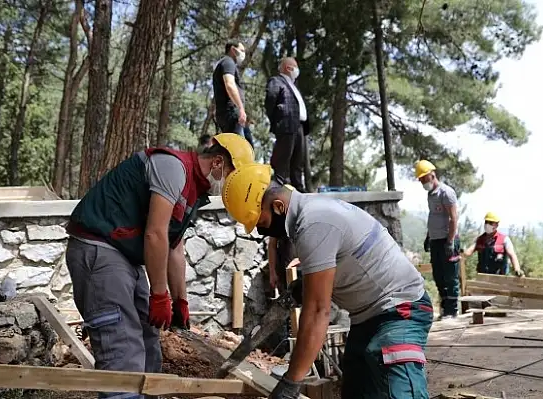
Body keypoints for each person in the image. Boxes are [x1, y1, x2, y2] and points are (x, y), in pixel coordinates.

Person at [65, 133, 254, 399]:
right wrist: (159, 293)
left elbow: (174, 247)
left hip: (124, 256)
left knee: (147, 335)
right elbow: (155, 234)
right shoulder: (173, 168)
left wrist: (180, 301)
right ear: (217, 163)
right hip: (99, 248)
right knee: (122, 343)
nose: (230, 186)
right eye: (232, 177)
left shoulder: (194, 192)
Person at [223, 163, 434, 399]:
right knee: (356, 391)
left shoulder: (313, 223)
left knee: (400, 393)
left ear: (279, 206)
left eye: (261, 223)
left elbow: (317, 312)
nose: (263, 232)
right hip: (368, 318)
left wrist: (291, 383)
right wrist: (308, 284)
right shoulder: (311, 213)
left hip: (400, 312)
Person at [415, 159, 460, 320]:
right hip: (435, 240)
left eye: (423, 179)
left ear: (431, 175)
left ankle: (452, 310)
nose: (421, 182)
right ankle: (444, 307)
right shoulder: (430, 195)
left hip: (447, 240)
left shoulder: (446, 193)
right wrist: (429, 236)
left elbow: (453, 218)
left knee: (450, 276)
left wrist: (450, 241)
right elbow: (433, 216)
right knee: (439, 275)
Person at [265, 57, 310, 193]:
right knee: (283, 158)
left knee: (298, 161)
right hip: (286, 124)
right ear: (288, 68)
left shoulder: (294, 85)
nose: (297, 70)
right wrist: (278, 119)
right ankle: (278, 188)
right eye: (295, 67)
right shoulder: (276, 81)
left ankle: (299, 189)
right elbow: (270, 100)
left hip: (300, 126)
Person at [212, 39, 254, 146]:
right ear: (233, 50)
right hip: (231, 112)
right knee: (240, 151)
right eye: (242, 50)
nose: (243, 54)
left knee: (244, 148)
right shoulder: (228, 62)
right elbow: (230, 85)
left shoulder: (226, 63)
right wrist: (240, 108)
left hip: (231, 113)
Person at [463, 212, 524, 277]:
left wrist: (517, 269)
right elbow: (468, 251)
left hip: (500, 279)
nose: (487, 225)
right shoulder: (479, 239)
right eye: (486, 222)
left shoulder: (504, 239)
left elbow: (512, 255)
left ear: (497, 225)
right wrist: (460, 253)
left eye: (490, 223)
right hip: (482, 278)